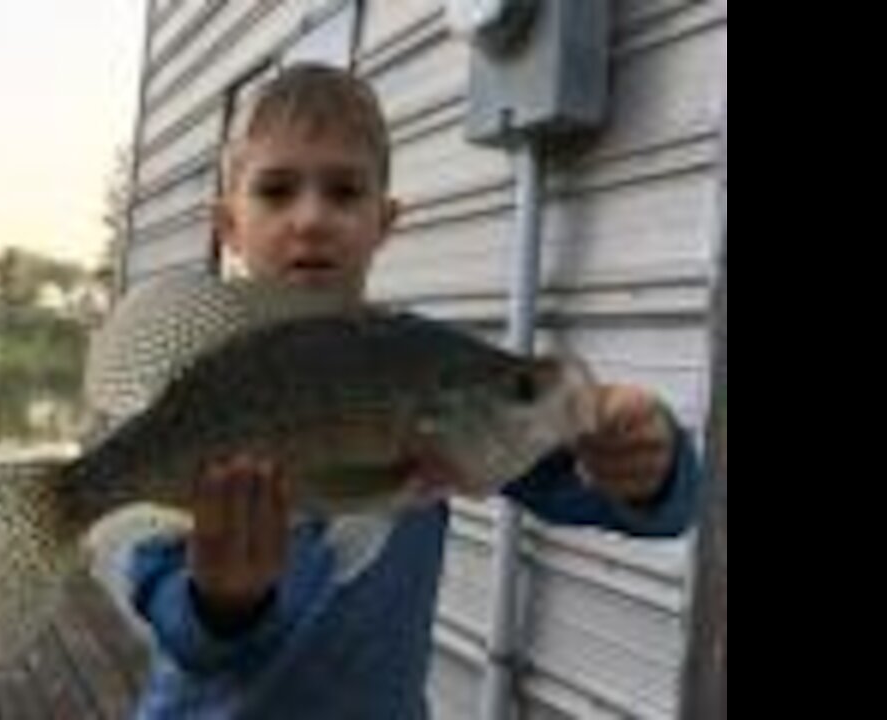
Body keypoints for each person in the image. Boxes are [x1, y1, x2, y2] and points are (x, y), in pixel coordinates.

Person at [112, 63, 702, 719]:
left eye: (344, 192)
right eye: (277, 191)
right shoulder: (203, 371)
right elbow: (160, 594)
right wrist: (219, 603)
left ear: (383, 220)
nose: (311, 218)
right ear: (227, 224)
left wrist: (650, 464)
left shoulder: (434, 364)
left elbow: (636, 501)